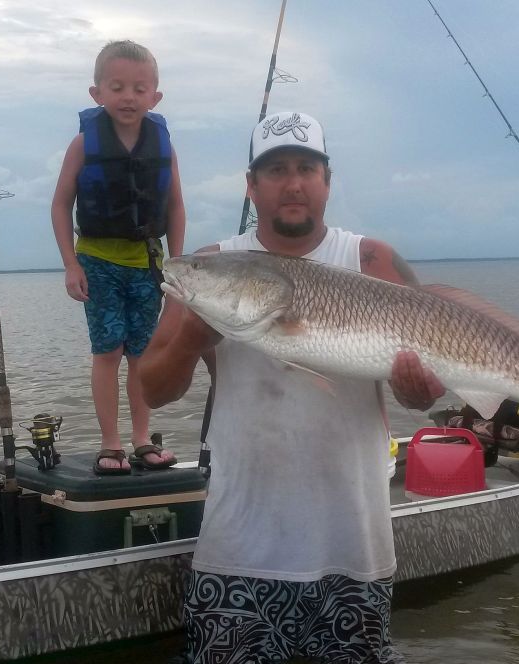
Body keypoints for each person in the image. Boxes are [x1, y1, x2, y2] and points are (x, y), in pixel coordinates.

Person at [140, 111, 446, 663]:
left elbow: (428, 386)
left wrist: (420, 393)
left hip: (352, 549)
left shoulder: (370, 261)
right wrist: (188, 339)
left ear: (327, 181)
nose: (293, 182)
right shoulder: (212, 266)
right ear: (251, 185)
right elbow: (152, 391)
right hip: (239, 550)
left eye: (307, 167)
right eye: (276, 168)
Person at [51, 40, 183, 475]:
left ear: (155, 97)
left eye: (139, 88)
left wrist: (177, 267)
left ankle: (142, 438)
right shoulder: (82, 144)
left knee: (142, 353)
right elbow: (60, 205)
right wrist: (71, 264)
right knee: (108, 350)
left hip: (148, 262)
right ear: (97, 94)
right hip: (98, 262)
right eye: (118, 86)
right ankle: (111, 443)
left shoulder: (163, 144)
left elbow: (176, 208)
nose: (128, 96)